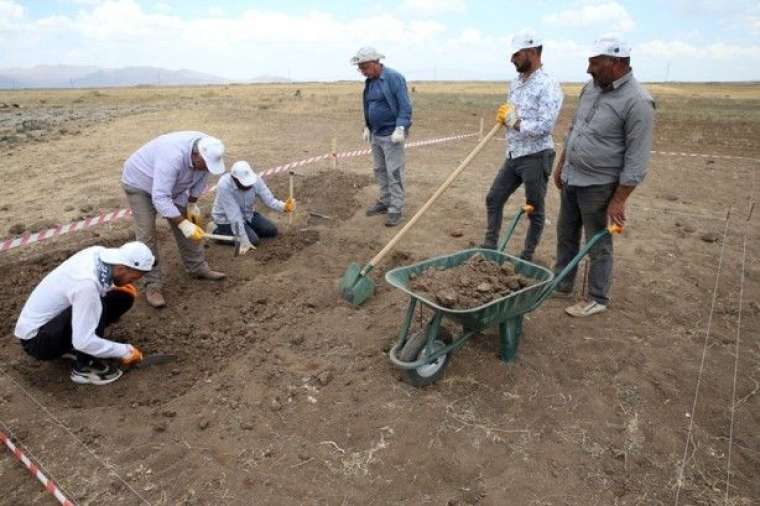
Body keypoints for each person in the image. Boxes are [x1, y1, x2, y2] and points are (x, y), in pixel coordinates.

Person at [552, 35, 655, 317]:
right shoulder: (592, 88)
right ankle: (561, 284)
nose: (589, 69)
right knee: (565, 233)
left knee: (597, 242)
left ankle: (597, 297)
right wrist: (562, 164)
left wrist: (619, 200)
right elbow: (574, 128)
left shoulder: (639, 102)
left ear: (618, 63)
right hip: (573, 177)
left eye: (595, 63)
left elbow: (637, 158)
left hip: (599, 185)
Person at [14, 242, 154, 385]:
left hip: (48, 325)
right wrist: (125, 351)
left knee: (122, 296)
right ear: (121, 268)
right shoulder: (86, 285)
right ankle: (84, 368)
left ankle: (72, 344)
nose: (132, 282)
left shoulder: (98, 254)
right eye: (133, 278)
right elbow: (83, 342)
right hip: (38, 341)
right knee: (96, 306)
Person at [481, 31, 563, 260]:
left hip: (536, 156)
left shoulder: (549, 85)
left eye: (516, 54)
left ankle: (527, 256)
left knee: (534, 207)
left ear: (532, 53)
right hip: (514, 153)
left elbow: (545, 125)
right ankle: (489, 247)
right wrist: (506, 116)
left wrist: (515, 122)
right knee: (494, 198)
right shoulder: (515, 83)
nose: (512, 59)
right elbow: (512, 114)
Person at [121, 131, 227, 308]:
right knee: (147, 234)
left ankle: (197, 267)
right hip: (140, 183)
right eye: (205, 164)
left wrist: (192, 203)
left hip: (172, 185)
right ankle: (153, 285)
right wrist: (183, 223)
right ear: (195, 155)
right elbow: (160, 197)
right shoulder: (172, 157)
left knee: (191, 226)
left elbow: (202, 176)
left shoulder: (208, 148)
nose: (207, 168)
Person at [351, 46, 413, 227]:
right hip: (376, 135)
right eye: (360, 69)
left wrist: (401, 127)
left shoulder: (394, 78)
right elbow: (368, 104)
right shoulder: (370, 82)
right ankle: (386, 201)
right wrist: (367, 126)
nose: (362, 72)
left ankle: (396, 208)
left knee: (394, 172)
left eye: (365, 68)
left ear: (375, 63)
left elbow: (405, 105)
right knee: (379, 170)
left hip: (392, 135)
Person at [210, 161, 295, 254]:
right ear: (234, 179)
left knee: (271, 231)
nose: (248, 186)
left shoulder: (255, 179)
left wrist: (283, 207)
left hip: (248, 215)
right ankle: (215, 230)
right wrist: (243, 240)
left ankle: (248, 229)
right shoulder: (224, 185)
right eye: (245, 183)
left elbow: (269, 199)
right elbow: (234, 216)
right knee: (253, 241)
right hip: (226, 220)